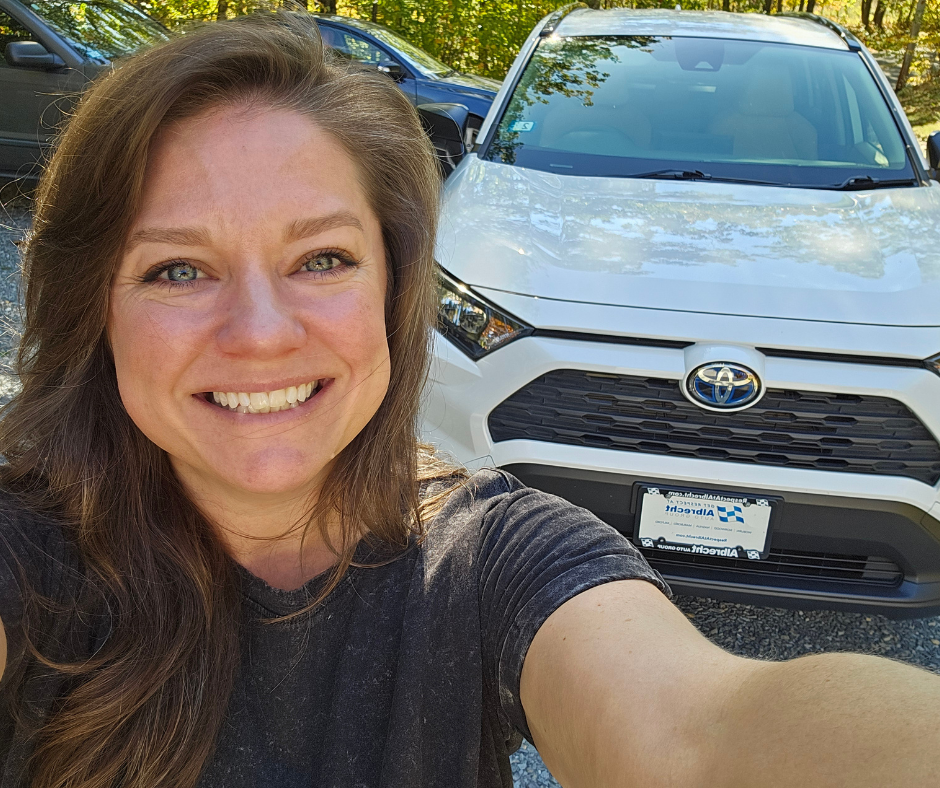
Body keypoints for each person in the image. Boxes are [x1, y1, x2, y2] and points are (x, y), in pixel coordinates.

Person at [0, 12, 936, 788]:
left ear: (393, 291)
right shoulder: (25, 557)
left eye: (322, 258)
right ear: (94, 308)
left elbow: (694, 739)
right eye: (176, 268)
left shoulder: (492, 559)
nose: (260, 334)